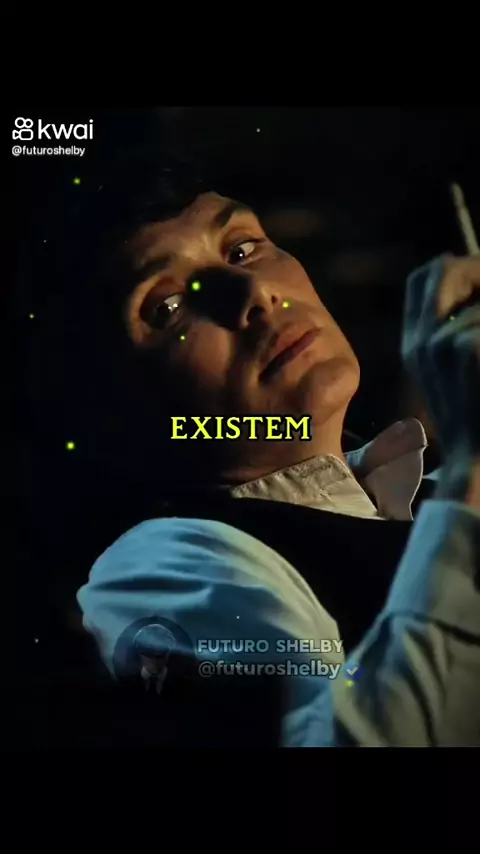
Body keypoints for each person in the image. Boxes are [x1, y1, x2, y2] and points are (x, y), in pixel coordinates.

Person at [54, 155, 479, 746]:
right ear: (114, 412)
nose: (251, 291)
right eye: (167, 307)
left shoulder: (428, 494)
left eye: (242, 249)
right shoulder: (163, 566)